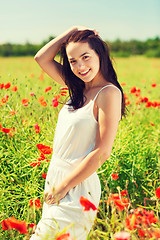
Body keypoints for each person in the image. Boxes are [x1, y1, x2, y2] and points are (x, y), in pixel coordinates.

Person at [30, 26, 126, 240]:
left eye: (86, 57)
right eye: (73, 61)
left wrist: (63, 186)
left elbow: (102, 151)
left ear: (99, 55)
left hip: (76, 186)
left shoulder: (108, 93)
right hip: (57, 179)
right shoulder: (79, 88)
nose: (80, 66)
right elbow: (41, 58)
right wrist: (72, 31)